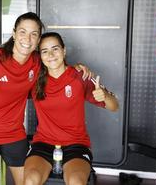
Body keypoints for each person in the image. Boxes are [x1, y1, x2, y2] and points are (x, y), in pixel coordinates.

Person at [0, 12, 91, 185]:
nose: (27, 38)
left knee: (29, 182)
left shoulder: (36, 61)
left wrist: (77, 68)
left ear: (38, 39)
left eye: (34, 34)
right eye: (23, 32)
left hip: (13, 133)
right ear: (14, 34)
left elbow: (56, 63)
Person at [23, 32, 119, 185]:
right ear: (40, 56)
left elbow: (115, 106)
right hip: (43, 143)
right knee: (30, 180)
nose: (51, 55)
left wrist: (104, 96)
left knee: (76, 182)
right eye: (45, 51)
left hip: (76, 144)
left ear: (64, 50)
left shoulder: (81, 76)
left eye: (55, 49)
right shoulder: (34, 80)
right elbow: (9, 91)